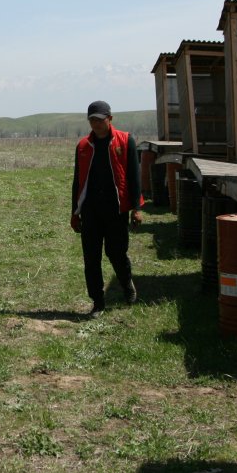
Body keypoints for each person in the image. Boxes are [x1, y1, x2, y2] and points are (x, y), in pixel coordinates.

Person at [70, 100, 143, 318]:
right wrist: (75, 213)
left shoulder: (126, 140)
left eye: (100, 119)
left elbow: (134, 177)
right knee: (91, 258)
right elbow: (77, 181)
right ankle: (98, 302)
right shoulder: (83, 146)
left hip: (116, 209)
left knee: (116, 253)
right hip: (91, 210)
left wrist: (136, 208)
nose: (96, 124)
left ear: (110, 119)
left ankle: (127, 284)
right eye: (92, 120)